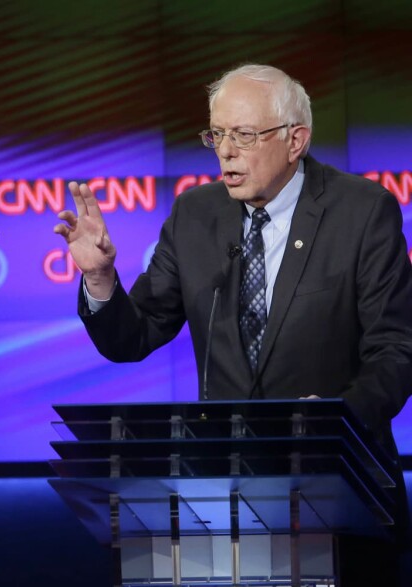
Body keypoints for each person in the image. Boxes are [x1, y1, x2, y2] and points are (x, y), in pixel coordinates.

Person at [54, 64, 412, 585]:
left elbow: (396, 350)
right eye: (216, 134)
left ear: (295, 140)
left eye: (243, 135)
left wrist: (336, 423)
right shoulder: (195, 214)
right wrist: (101, 279)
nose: (225, 151)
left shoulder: (361, 211)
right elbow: (133, 336)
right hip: (219, 500)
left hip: (338, 491)